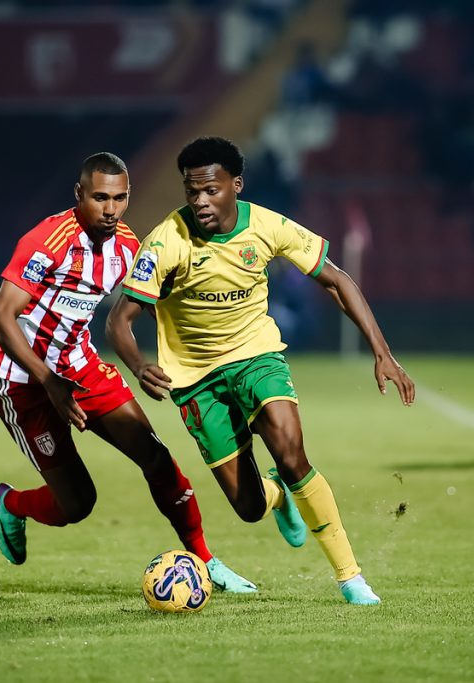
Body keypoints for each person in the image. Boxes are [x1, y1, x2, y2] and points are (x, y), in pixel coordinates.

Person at [106, 137, 415, 605]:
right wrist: (139, 365)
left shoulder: (268, 225)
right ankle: (277, 496)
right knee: (248, 508)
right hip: (195, 379)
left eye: (211, 190)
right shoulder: (166, 241)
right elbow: (119, 319)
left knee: (292, 454)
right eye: (192, 191)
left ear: (236, 184)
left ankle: (351, 578)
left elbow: (337, 279)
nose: (201, 201)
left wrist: (382, 351)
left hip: (256, 356)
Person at [0, 152, 255, 593]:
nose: (110, 209)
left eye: (120, 198)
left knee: (155, 456)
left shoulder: (128, 244)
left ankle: (207, 564)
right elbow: (0, 319)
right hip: (21, 381)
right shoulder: (46, 241)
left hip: (80, 366)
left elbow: (147, 304)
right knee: (78, 503)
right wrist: (49, 382)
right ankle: (11, 503)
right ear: (79, 195)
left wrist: (154, 362)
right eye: (100, 198)